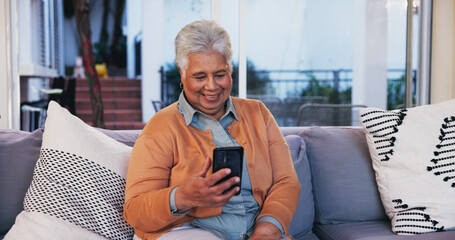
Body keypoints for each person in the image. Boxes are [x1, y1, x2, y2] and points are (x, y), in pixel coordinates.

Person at [124, 20, 300, 240]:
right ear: (182, 73)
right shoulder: (161, 127)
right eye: (200, 77)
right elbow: (134, 210)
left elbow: (287, 182)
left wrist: (267, 230)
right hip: (192, 232)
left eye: (220, 74)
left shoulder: (258, 114)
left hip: (258, 231)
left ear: (230, 69)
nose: (212, 86)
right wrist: (183, 197)